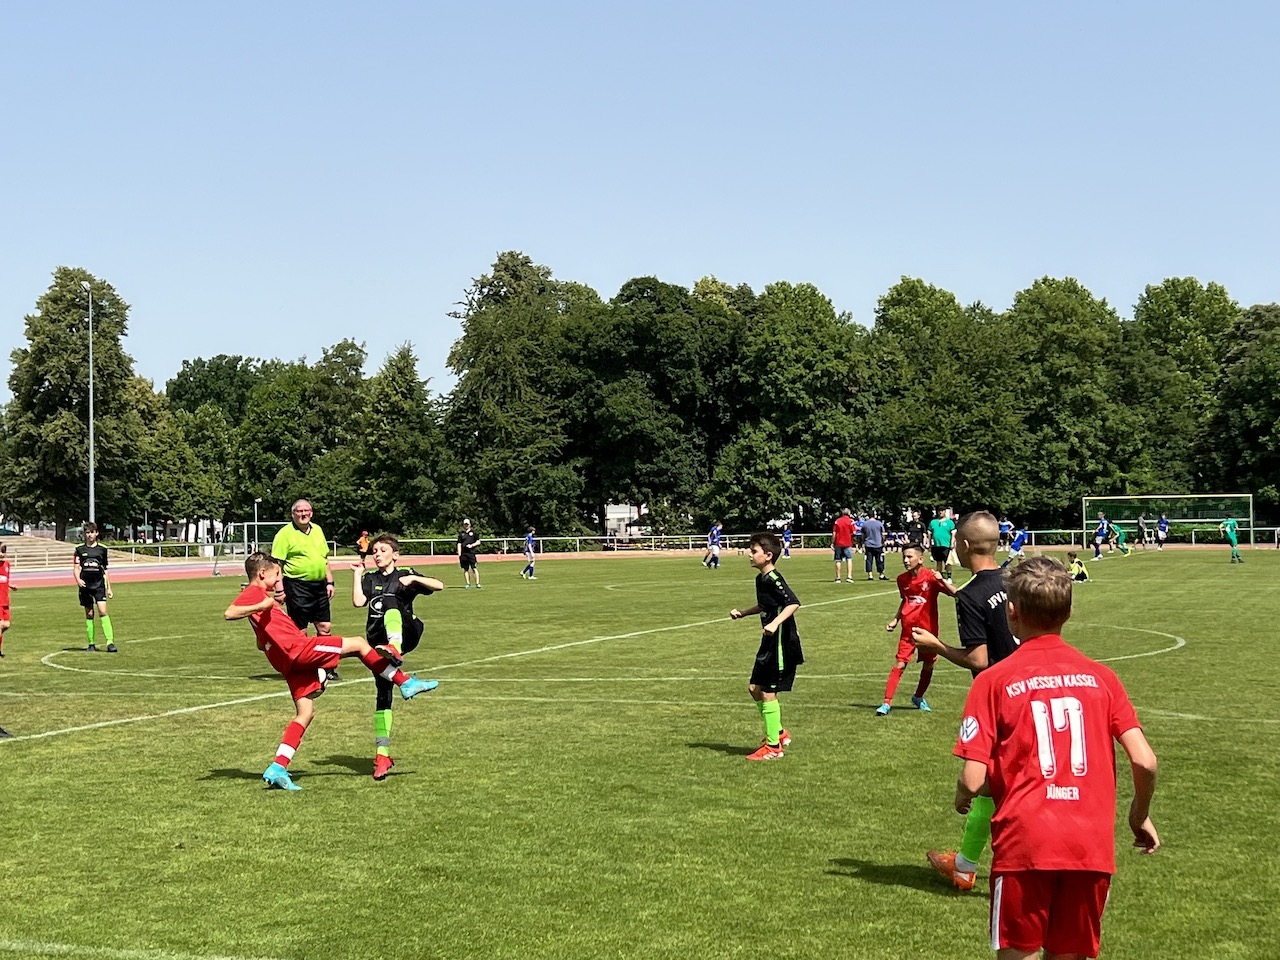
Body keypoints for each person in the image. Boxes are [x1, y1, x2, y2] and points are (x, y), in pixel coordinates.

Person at [952, 556, 1159, 959]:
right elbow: (1145, 761)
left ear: (1012, 613)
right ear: (1068, 611)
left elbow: (972, 779)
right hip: (1089, 846)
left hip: (1024, 845)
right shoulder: (1102, 677)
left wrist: (963, 795)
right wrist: (1138, 815)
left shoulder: (993, 681)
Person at [225, 551, 437, 791]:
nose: (278, 580)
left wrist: (265, 635)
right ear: (262, 573)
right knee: (358, 644)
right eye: (276, 575)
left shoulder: (258, 596)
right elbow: (229, 613)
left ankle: (278, 767)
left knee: (306, 712)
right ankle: (405, 682)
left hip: (287, 661)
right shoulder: (255, 594)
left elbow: (260, 636)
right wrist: (263, 604)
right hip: (298, 649)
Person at [912, 511, 1020, 892]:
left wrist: (936, 645)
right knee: (999, 783)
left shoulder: (970, 595)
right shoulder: (1016, 579)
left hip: (1000, 699)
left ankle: (976, 866)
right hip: (1034, 687)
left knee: (993, 785)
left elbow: (979, 660)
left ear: (964, 545)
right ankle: (964, 864)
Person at [352, 534, 445, 780]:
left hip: (407, 633)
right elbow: (358, 602)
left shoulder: (404, 573)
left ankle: (394, 645)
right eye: (375, 551)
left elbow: (439, 585)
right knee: (383, 695)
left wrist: (414, 578)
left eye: (383, 550)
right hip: (377, 641)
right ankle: (382, 755)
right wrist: (357, 574)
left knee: (390, 599)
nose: (377, 554)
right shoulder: (370, 578)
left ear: (395, 555)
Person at [729, 532, 803, 761]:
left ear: (768, 555)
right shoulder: (761, 579)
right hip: (769, 642)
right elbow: (765, 605)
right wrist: (743, 613)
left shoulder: (774, 578)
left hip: (781, 642)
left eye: (754, 551)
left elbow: (793, 602)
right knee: (754, 689)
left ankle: (773, 748)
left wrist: (774, 623)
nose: (749, 555)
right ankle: (779, 733)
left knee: (769, 692)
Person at [878, 544, 956, 716]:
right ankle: (886, 703)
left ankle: (918, 697)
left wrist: (942, 580)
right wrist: (896, 619)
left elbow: (955, 594)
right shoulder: (901, 579)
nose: (906, 560)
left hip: (928, 632)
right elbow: (906, 600)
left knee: (928, 665)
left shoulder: (931, 577)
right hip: (908, 630)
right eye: (904, 557)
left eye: (909, 557)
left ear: (920, 559)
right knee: (900, 664)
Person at [270, 500, 335, 637]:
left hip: (319, 586)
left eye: (307, 511)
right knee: (300, 630)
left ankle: (323, 651)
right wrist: (280, 590)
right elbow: (276, 564)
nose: (303, 514)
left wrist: (330, 582)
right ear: (293, 514)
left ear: (311, 513)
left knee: (325, 627)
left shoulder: (317, 530)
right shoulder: (284, 534)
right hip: (297, 587)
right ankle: (302, 651)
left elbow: (324, 558)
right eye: (299, 511)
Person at [73, 522, 116, 653]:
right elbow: (76, 567)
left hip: (99, 585)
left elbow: (105, 569)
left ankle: (110, 642)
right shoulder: (79, 550)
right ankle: (91, 643)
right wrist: (78, 580)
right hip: (85, 586)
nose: (89, 535)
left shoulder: (102, 549)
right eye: (87, 532)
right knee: (89, 613)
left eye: (92, 532)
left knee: (103, 611)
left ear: (96, 533)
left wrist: (109, 588)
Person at [928, 508, 956, 584]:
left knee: (948, 562)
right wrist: (929, 543)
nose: (940, 512)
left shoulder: (949, 522)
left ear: (945, 512)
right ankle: (939, 577)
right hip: (936, 545)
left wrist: (952, 543)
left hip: (946, 545)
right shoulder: (933, 522)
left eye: (942, 511)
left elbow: (953, 534)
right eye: (939, 511)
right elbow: (929, 533)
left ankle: (949, 577)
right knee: (938, 562)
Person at [861, 513, 889, 581]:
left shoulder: (865, 524)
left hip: (868, 544)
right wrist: (883, 542)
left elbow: (862, 535)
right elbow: (883, 534)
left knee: (869, 560)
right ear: (874, 515)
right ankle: (881, 574)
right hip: (878, 544)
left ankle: (870, 575)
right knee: (879, 560)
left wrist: (862, 543)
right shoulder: (879, 523)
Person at [457, 518, 482, 588]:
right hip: (464, 554)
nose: (466, 526)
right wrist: (459, 554)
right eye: (465, 524)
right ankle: (468, 584)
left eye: (467, 524)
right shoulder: (461, 534)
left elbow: (478, 542)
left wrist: (472, 545)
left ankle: (477, 583)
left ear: (470, 524)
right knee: (466, 569)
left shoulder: (474, 533)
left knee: (474, 568)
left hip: (471, 553)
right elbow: (459, 544)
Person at [832, 508, 855, 583]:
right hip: (847, 543)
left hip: (838, 543)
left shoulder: (837, 521)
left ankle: (838, 578)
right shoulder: (851, 521)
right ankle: (849, 577)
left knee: (838, 560)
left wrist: (832, 542)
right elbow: (854, 532)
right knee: (849, 559)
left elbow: (834, 533)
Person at [0, 542, 13, 657]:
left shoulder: (7, 564)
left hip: (5, 600)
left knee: (6, 625)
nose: (1, 554)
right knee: (0, 625)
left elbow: (5, 580)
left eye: (3, 551)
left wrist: (10, 585)